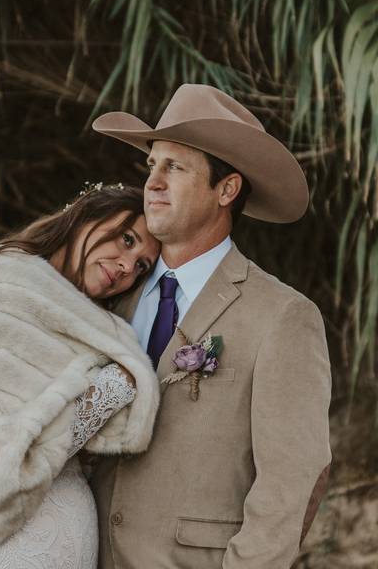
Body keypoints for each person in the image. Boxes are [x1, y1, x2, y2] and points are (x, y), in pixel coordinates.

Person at [89, 84, 333, 568]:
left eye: (174, 167)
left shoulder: (283, 317)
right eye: (151, 166)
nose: (152, 183)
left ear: (226, 189)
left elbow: (291, 484)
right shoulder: (111, 295)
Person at [0, 185, 162, 569]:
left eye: (141, 265)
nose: (127, 266)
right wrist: (114, 386)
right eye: (126, 240)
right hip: (2, 549)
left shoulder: (81, 319)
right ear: (87, 214)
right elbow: (4, 451)